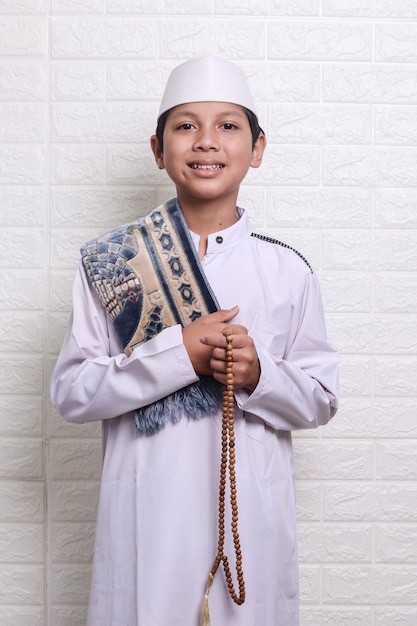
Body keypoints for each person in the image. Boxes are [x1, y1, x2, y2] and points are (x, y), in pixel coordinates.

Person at [50, 56, 339, 626]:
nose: (206, 142)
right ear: (158, 150)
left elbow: (321, 398)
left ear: (257, 148)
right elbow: (72, 392)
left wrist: (260, 375)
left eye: (228, 126)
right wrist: (177, 354)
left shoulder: (288, 271)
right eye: (185, 126)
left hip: (247, 520)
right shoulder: (114, 263)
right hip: (144, 514)